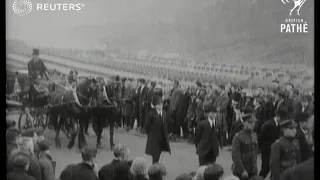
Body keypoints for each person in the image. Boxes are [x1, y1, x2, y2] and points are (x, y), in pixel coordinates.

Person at [258, 108, 286, 178]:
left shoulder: (279, 125)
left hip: (274, 150)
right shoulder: (268, 124)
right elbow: (260, 137)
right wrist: (261, 148)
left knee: (273, 168)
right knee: (265, 168)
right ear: (278, 117)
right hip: (267, 150)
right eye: (282, 119)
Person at [231, 107, 258, 180]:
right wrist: (242, 170)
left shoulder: (254, 135)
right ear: (244, 122)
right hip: (242, 170)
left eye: (254, 122)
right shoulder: (238, 137)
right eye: (250, 122)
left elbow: (255, 152)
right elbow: (236, 156)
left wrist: (255, 168)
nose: (253, 124)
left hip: (252, 169)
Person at [145, 96, 171, 164]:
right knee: (155, 155)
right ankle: (154, 168)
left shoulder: (165, 113)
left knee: (159, 153)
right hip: (154, 138)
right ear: (155, 105)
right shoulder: (151, 114)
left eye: (161, 104)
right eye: (159, 104)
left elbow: (167, 123)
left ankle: (156, 166)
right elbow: (147, 126)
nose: (161, 106)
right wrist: (150, 134)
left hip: (162, 138)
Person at [194, 101, 219, 166]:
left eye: (215, 113)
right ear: (207, 114)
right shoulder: (202, 124)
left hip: (213, 151)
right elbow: (197, 138)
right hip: (203, 150)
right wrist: (199, 147)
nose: (214, 114)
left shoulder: (217, 124)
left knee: (212, 169)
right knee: (203, 168)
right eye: (212, 113)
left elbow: (218, 136)